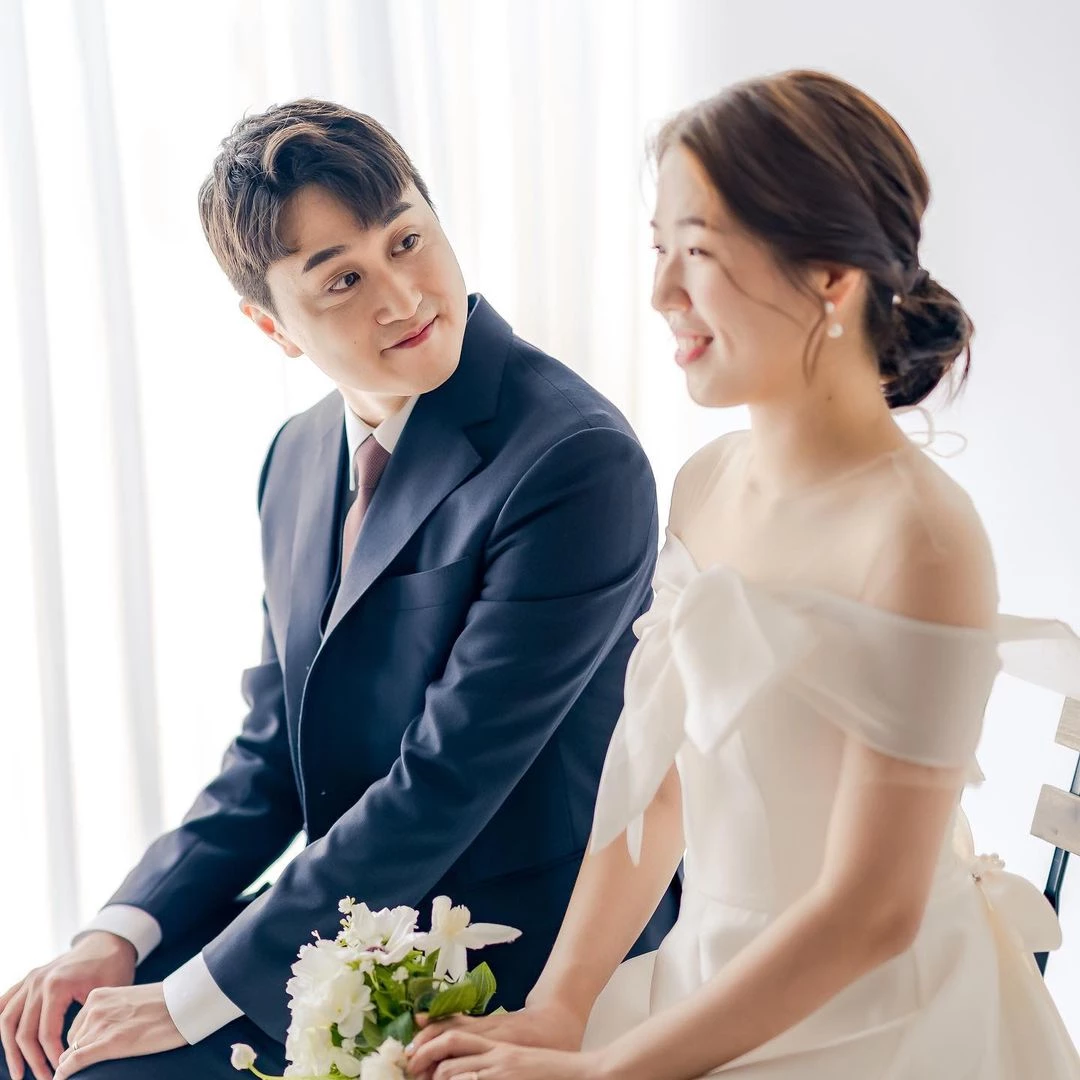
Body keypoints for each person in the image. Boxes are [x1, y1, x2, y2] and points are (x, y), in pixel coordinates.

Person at [406, 70, 1080, 1079]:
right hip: (704, 981)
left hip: (877, 1022)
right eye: (658, 251)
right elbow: (662, 788)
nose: (661, 295)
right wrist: (561, 1009)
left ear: (830, 278)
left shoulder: (923, 540)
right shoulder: (706, 482)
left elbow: (873, 910)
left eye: (699, 253)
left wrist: (608, 1072)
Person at [0, 100, 680, 1080]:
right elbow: (273, 751)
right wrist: (122, 932)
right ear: (271, 326)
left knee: (105, 1069)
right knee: (41, 1044)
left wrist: (185, 1001)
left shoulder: (574, 458)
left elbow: (448, 777)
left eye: (408, 241)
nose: (403, 296)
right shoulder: (297, 455)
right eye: (344, 279)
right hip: (344, 923)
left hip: (510, 946)